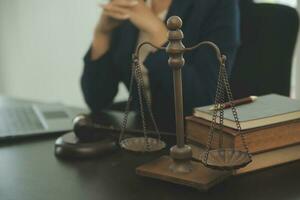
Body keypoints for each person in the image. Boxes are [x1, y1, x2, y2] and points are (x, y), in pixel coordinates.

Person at [81, 0, 240, 132]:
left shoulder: (219, 4)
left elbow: (203, 101)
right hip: (143, 137)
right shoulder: (131, 4)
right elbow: (96, 99)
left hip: (196, 142)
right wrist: (101, 34)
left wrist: (158, 32)